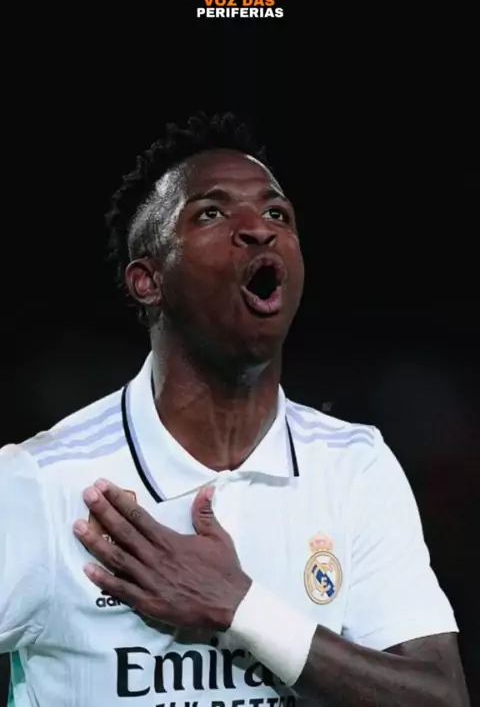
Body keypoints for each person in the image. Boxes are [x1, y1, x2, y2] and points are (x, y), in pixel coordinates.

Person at [0, 112, 470, 707]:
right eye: (211, 213)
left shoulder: (354, 468)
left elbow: (439, 696)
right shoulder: (43, 483)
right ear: (148, 281)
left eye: (277, 214)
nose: (258, 230)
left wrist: (241, 609)